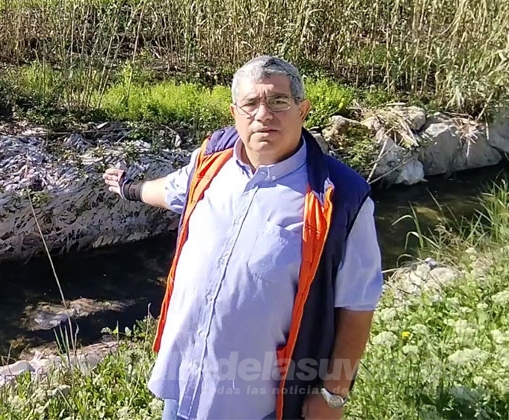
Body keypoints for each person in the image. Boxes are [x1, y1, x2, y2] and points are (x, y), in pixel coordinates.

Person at [102, 56, 383, 420]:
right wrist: (129, 188)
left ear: (303, 110)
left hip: (255, 404)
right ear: (234, 113)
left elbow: (358, 305)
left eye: (278, 101)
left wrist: (333, 395)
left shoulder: (339, 197)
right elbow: (170, 190)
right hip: (183, 388)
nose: (263, 115)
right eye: (250, 104)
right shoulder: (210, 165)